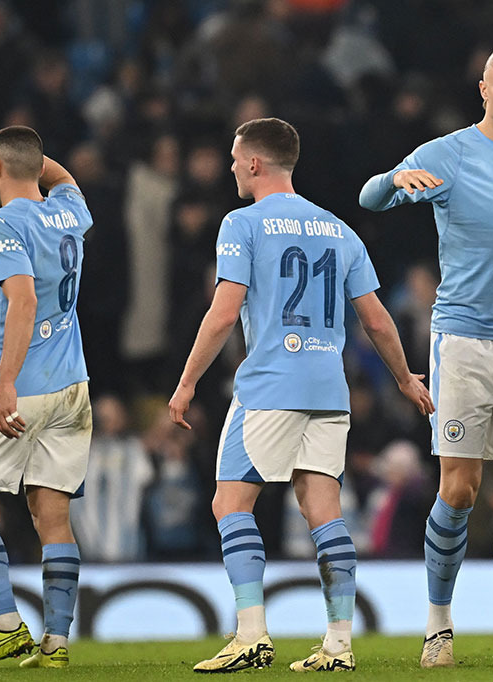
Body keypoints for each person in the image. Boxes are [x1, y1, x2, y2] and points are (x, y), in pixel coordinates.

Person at [169, 117, 433, 673]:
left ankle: (251, 634)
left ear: (257, 163)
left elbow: (223, 311)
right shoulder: (339, 229)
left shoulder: (241, 223)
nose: (234, 165)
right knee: (324, 510)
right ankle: (339, 643)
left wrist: (188, 380)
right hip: (327, 390)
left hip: (268, 386)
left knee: (230, 503)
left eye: (238, 157)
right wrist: (406, 377)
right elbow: (378, 320)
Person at [359, 45, 493, 668]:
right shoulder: (447, 152)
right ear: (483, 88)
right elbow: (370, 198)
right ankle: (438, 627)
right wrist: (392, 181)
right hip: (462, 341)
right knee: (457, 489)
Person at [0, 125, 94, 669]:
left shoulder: (0, 222)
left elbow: (22, 300)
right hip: (74, 387)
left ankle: (6, 626)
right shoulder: (71, 210)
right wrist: (13, 151)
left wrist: (4, 383)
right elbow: (64, 178)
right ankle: (56, 644)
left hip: (22, 387)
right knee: (52, 516)